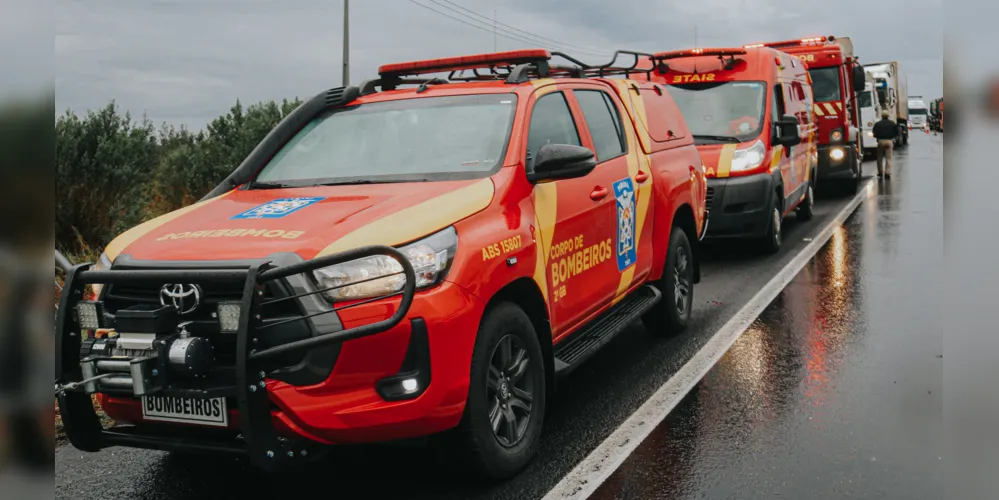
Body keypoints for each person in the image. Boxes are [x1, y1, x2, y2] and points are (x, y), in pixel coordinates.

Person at [871, 109, 897, 179]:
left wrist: (877, 137)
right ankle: (887, 173)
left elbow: (874, 133)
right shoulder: (892, 123)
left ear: (881, 116)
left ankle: (880, 172)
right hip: (889, 141)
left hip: (880, 141)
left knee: (879, 158)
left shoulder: (877, 124)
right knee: (888, 158)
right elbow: (896, 132)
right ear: (888, 116)